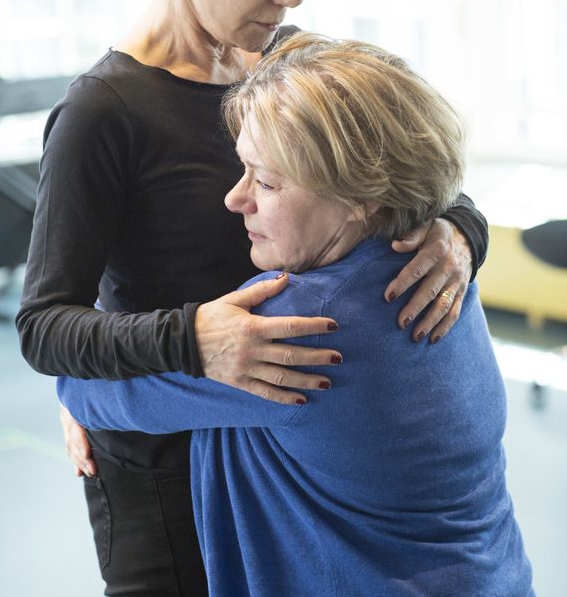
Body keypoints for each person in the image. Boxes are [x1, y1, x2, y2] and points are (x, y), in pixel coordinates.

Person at [17, 0, 488, 596]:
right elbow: (45, 328)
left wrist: (458, 229)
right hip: (161, 470)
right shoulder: (104, 114)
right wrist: (186, 343)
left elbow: (401, 168)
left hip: (282, 454)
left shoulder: (285, 64)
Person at [58, 33, 533, 597]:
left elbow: (93, 392)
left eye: (266, 181)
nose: (236, 199)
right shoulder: (440, 264)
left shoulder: (301, 324)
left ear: (360, 195)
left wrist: (71, 374)